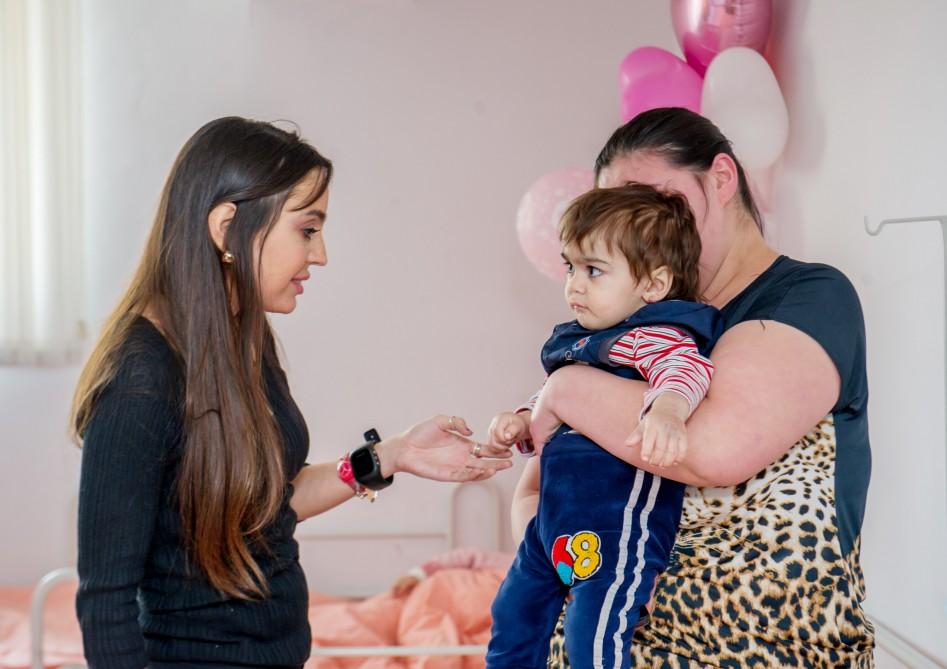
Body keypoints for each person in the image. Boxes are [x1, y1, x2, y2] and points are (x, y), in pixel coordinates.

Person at [69, 116, 513, 669]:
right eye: (307, 229)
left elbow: (266, 506)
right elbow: (105, 602)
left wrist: (391, 455)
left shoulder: (242, 339)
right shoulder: (140, 381)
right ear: (228, 226)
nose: (321, 254)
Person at [513, 108, 874, 668]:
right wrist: (561, 575)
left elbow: (709, 447)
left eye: (654, 199)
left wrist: (563, 389)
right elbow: (539, 490)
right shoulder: (627, 332)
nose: (637, 223)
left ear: (721, 179)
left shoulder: (808, 298)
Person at [484, 186, 722, 669]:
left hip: (617, 531)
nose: (574, 285)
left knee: (592, 637)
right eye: (570, 268)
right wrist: (521, 422)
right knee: (511, 615)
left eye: (593, 271)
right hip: (553, 527)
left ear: (654, 285)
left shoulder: (654, 335)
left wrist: (668, 411)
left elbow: (686, 370)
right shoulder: (581, 345)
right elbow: (550, 411)